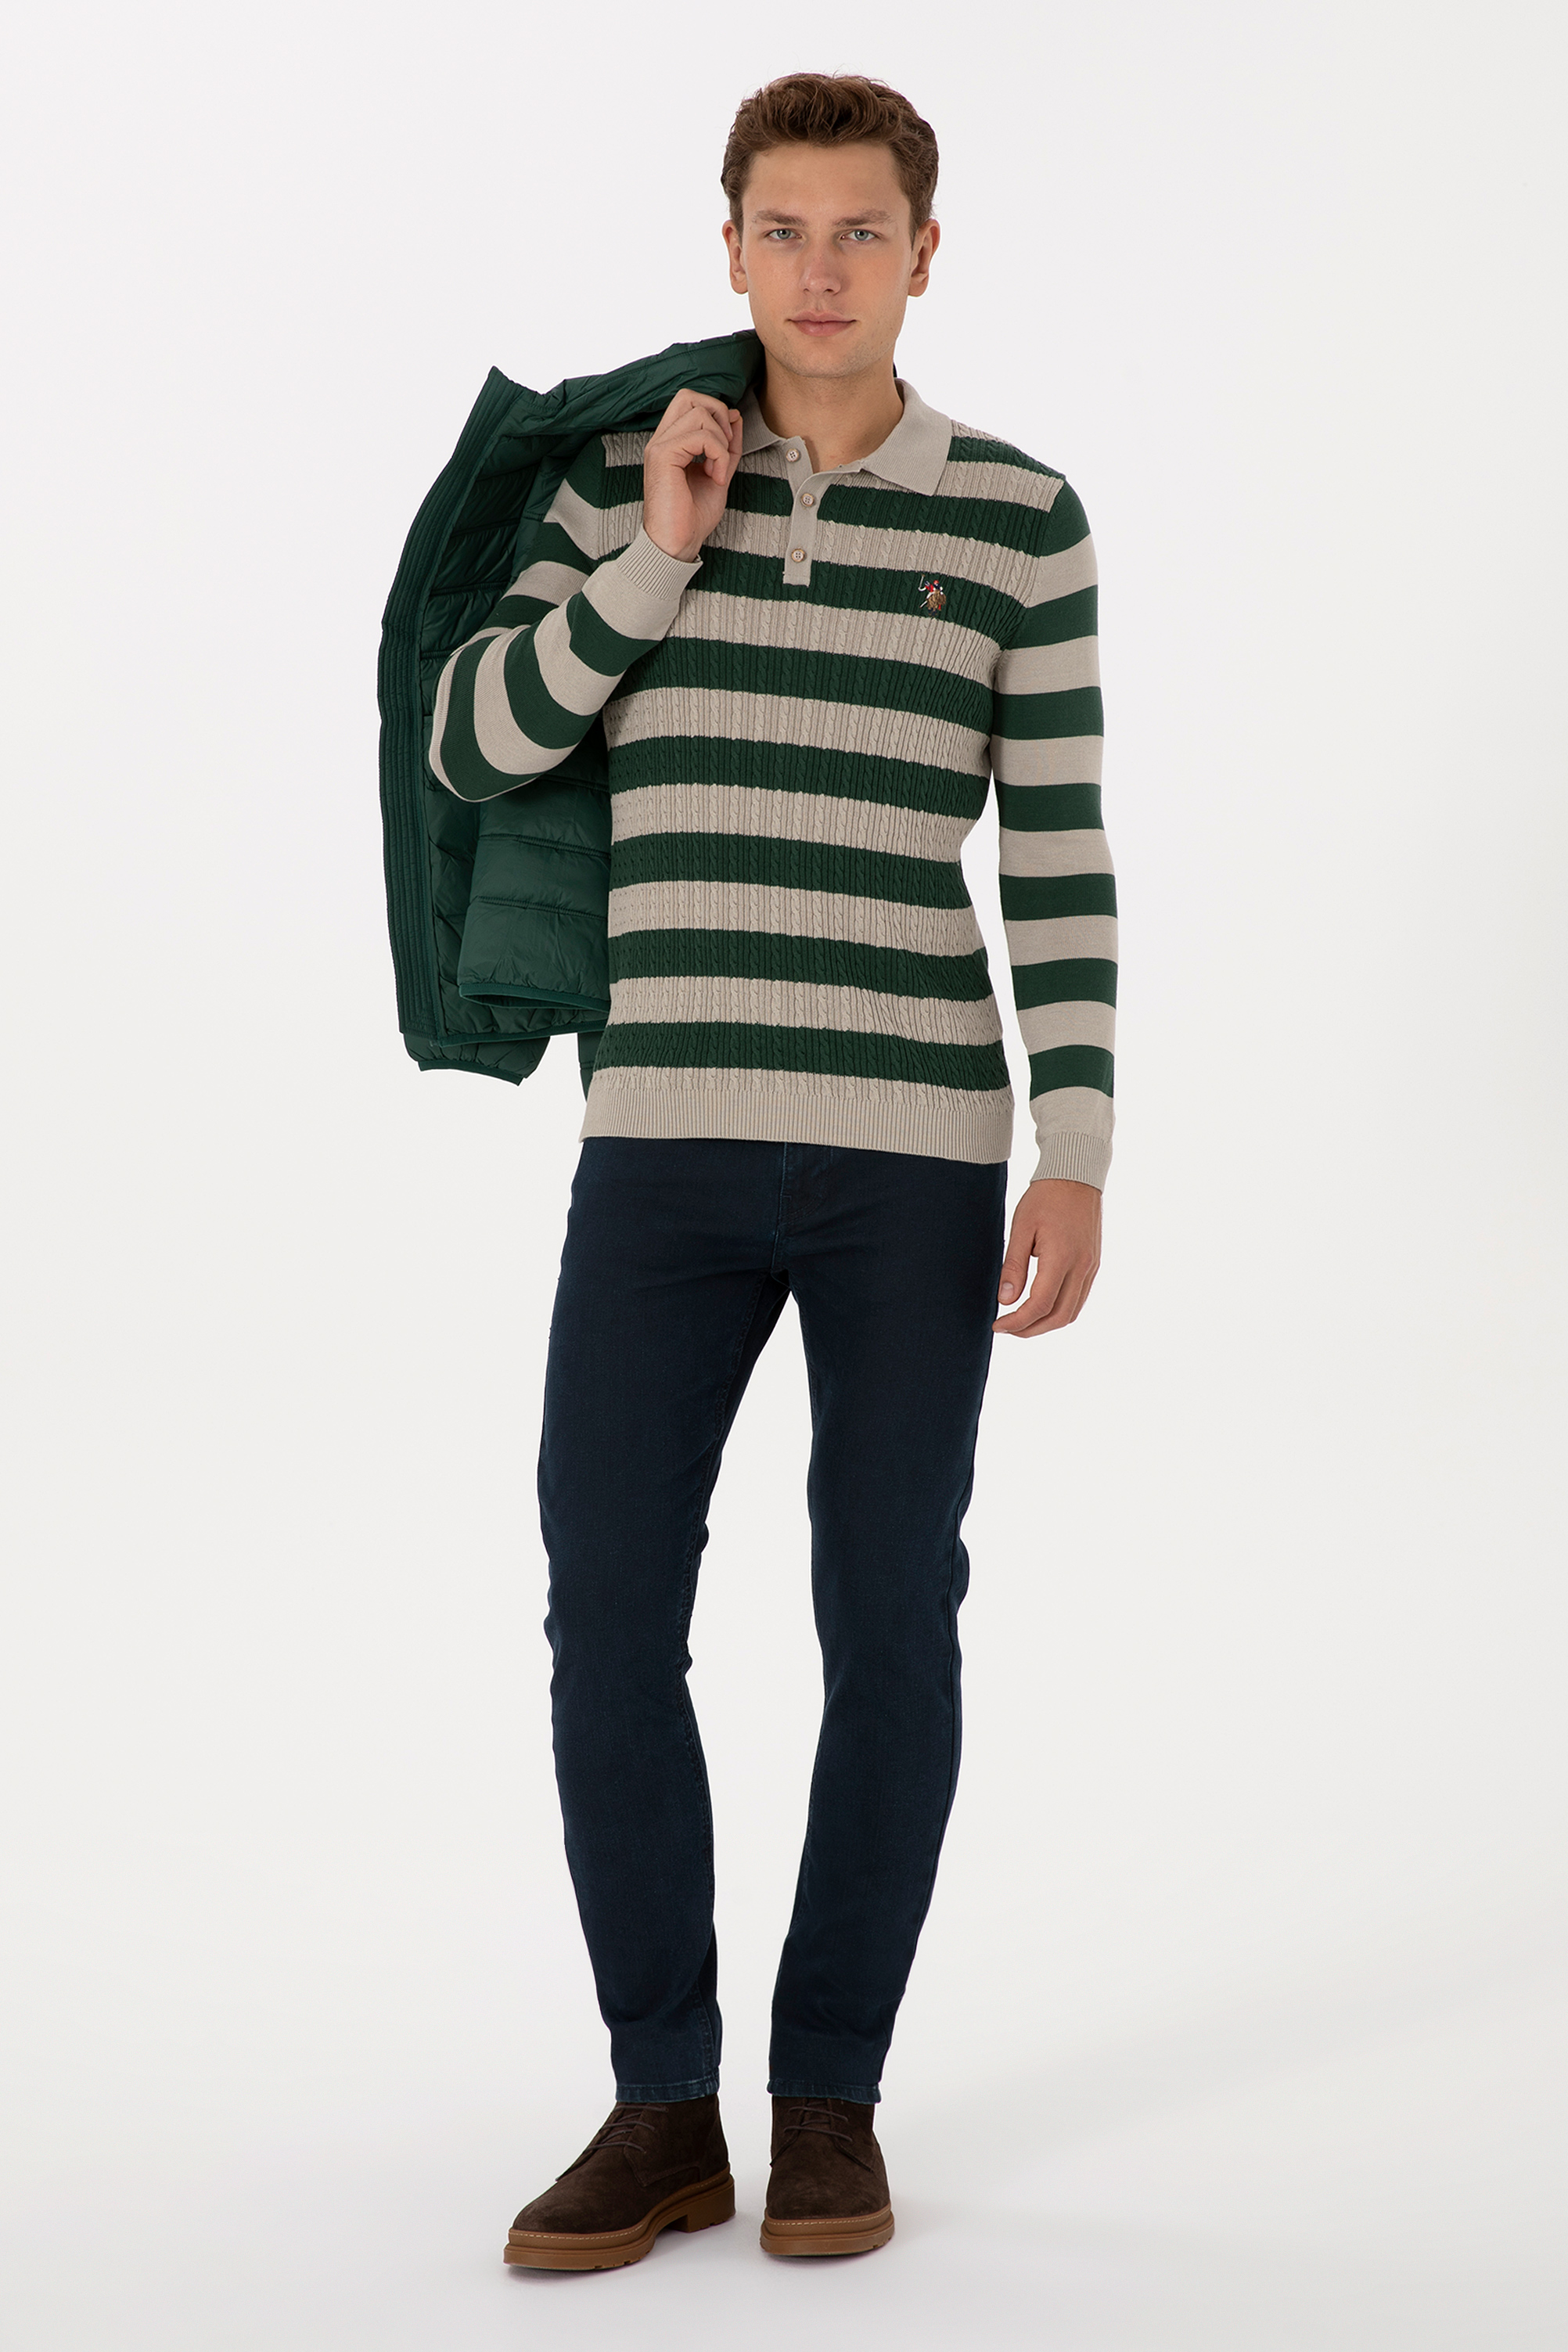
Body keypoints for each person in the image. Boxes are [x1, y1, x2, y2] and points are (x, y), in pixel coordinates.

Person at [428, 71, 1115, 2269]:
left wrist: (1076, 1146)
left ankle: (828, 2098)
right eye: (783, 230)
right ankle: (662, 2104)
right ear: (726, 247)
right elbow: (478, 741)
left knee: (889, 1617)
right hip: (664, 1146)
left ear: (926, 254)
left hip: (916, 1153)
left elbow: (1059, 849)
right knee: (606, 1608)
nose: (820, 271)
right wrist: (655, 549)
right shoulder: (626, 482)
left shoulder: (1021, 519)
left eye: (861, 231)